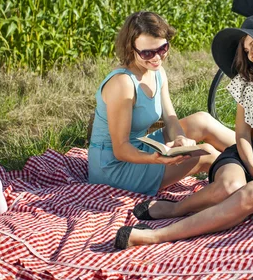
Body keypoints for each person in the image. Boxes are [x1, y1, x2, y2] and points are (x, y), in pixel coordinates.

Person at [114, 14, 253, 249]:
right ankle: (177, 208)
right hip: (244, 155)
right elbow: (242, 135)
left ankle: (156, 234)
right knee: (230, 186)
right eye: (247, 50)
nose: (252, 54)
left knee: (252, 195)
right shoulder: (248, 83)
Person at [88, 11, 235, 196]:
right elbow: (121, 149)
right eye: (147, 53)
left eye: (162, 49)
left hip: (141, 148)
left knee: (202, 121)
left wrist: (180, 139)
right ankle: (251, 180)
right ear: (130, 49)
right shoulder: (123, 84)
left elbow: (171, 119)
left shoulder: (157, 72)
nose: (157, 58)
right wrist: (155, 159)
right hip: (113, 168)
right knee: (207, 154)